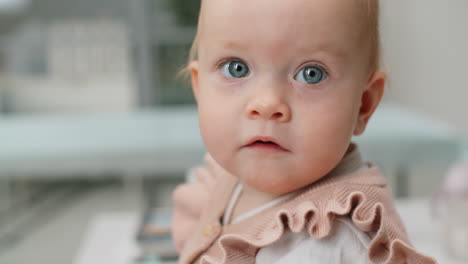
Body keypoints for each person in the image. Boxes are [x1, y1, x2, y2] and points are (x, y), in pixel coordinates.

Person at [172, 0, 436, 263]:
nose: (266, 104)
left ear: (363, 105)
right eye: (236, 68)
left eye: (311, 74)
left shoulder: (328, 243)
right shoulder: (226, 179)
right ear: (199, 87)